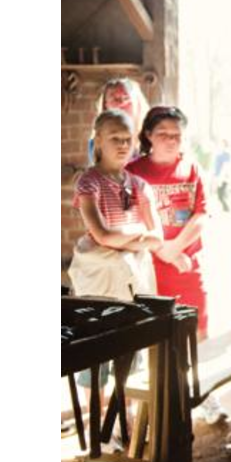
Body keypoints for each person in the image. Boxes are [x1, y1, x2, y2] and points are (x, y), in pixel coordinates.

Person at [126, 105, 226, 424]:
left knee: (198, 330)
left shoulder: (191, 168)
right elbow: (128, 221)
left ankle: (205, 394)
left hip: (186, 265)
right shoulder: (133, 171)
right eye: (163, 134)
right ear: (148, 136)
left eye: (177, 135)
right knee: (155, 338)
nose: (171, 140)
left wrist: (175, 249)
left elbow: (201, 213)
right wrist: (162, 251)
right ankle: (159, 408)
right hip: (148, 267)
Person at [68, 109, 164, 415]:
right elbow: (101, 234)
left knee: (131, 341)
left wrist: (127, 238)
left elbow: (157, 236)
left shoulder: (139, 185)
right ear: (98, 141)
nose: (123, 145)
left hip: (132, 273)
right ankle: (94, 416)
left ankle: (126, 416)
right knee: (98, 344)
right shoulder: (89, 182)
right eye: (115, 138)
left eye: (128, 139)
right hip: (100, 273)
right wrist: (136, 233)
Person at [89, 77, 149, 165]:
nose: (121, 103)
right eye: (114, 99)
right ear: (106, 105)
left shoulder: (150, 135)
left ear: (137, 103)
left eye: (126, 98)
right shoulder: (97, 142)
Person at [212, 139, 231, 212]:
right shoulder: (218, 154)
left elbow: (225, 166)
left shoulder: (226, 154)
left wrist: (221, 178)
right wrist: (214, 176)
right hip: (217, 176)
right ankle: (225, 209)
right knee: (219, 195)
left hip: (223, 177)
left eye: (222, 144)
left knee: (221, 195)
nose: (220, 145)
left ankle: (227, 209)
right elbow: (216, 166)